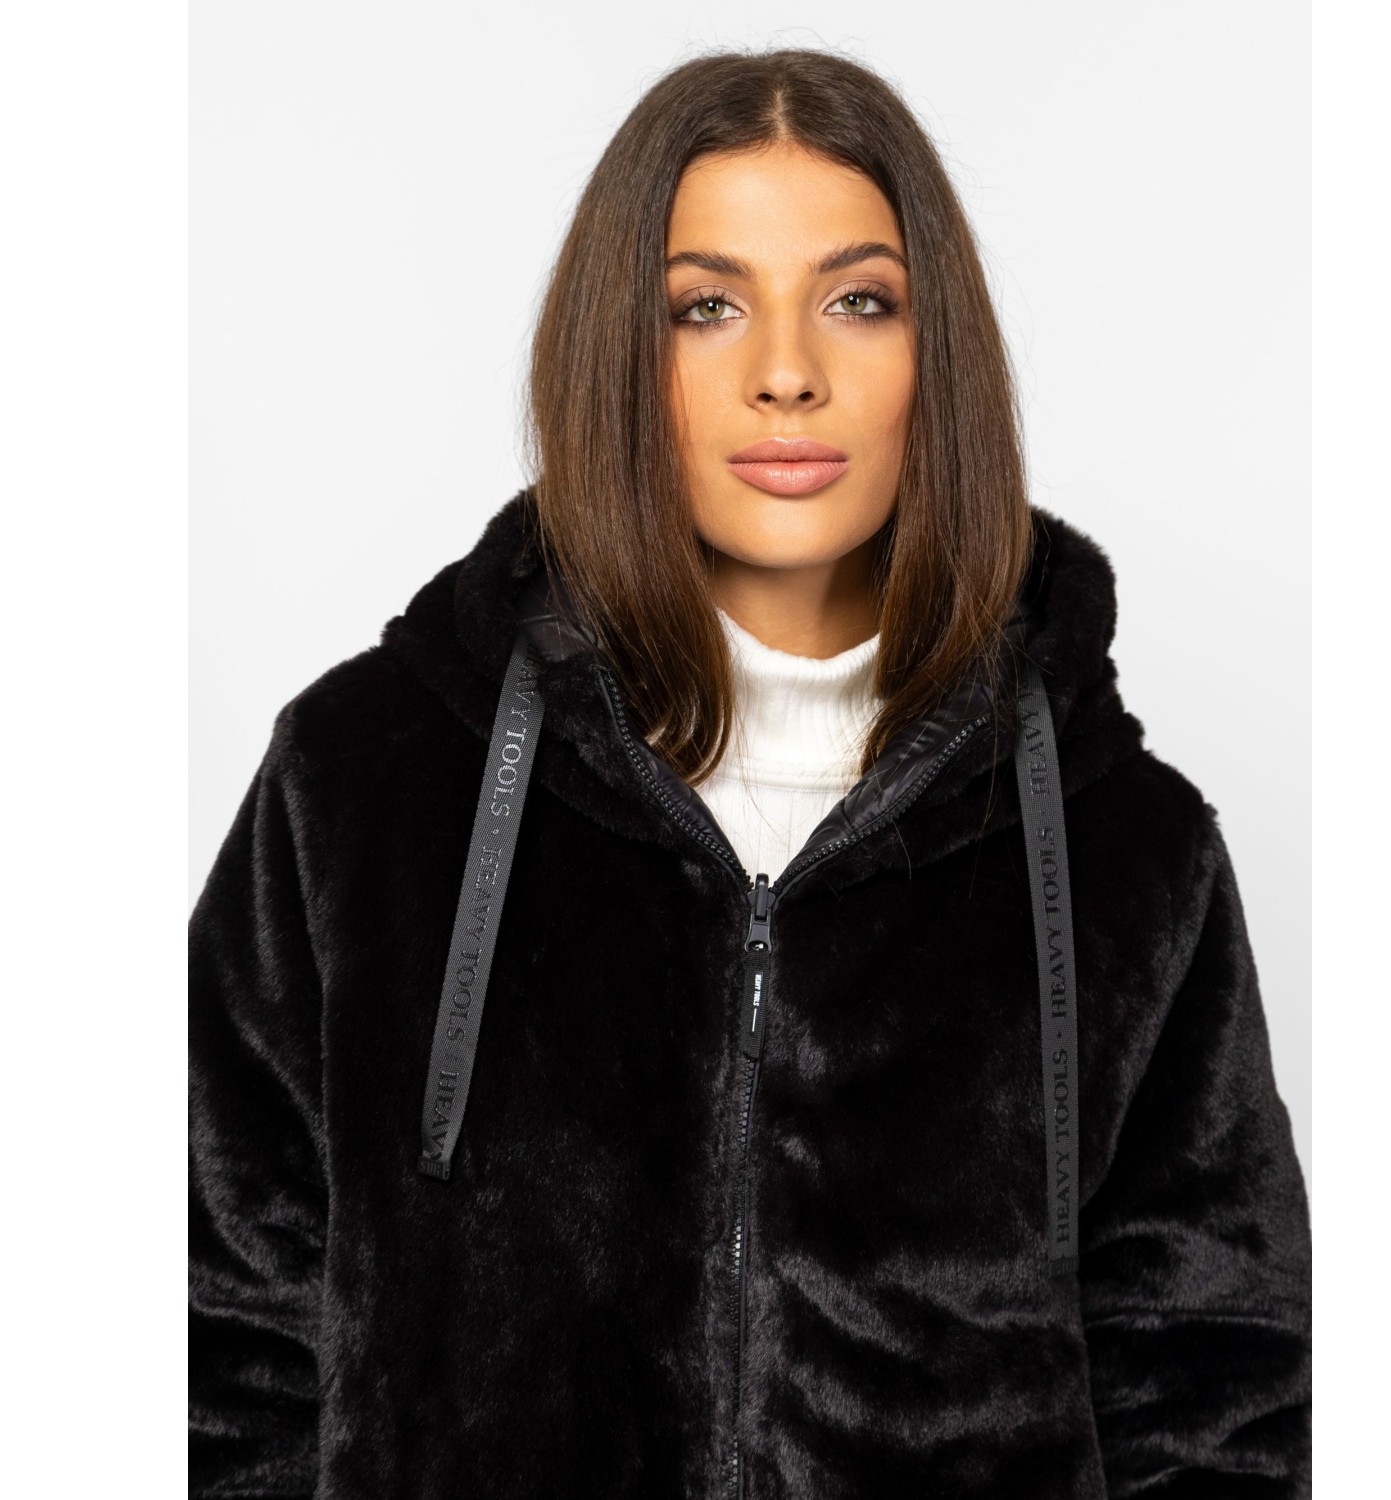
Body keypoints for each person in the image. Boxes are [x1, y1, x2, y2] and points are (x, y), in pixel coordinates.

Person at [189, 46, 1312, 1500]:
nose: (787, 372)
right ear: (620, 356)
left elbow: (1219, 1394)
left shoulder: (1126, 852)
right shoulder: (363, 789)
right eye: (706, 306)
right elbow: (216, 1343)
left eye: (859, 301)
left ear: (937, 358)